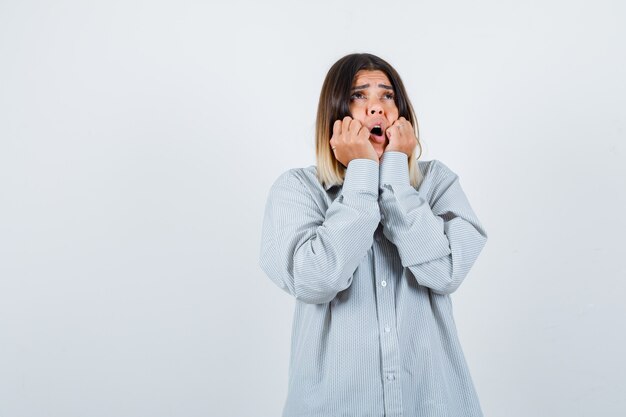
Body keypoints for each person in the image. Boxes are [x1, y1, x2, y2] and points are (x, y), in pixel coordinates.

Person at [259, 53, 488, 417]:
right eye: (359, 96)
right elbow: (316, 279)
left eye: (387, 95)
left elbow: (444, 272)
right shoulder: (297, 190)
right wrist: (363, 173)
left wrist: (395, 175)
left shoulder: (438, 184)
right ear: (335, 114)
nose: (376, 108)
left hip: (433, 404)